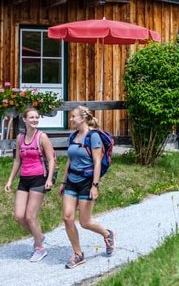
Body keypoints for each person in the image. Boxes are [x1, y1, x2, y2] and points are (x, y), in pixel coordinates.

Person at [59, 106, 115, 269]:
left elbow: (97, 162)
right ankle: (78, 254)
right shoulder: (73, 136)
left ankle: (107, 234)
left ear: (82, 118)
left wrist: (95, 186)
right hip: (71, 180)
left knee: (85, 222)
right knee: (67, 218)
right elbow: (69, 160)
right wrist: (63, 182)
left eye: (73, 116)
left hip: (87, 182)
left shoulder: (94, 136)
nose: (71, 119)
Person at [4, 107, 56, 262]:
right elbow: (18, 160)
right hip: (24, 179)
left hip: (39, 178)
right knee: (19, 216)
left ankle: (39, 248)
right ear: (24, 120)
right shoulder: (20, 138)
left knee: (30, 216)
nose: (35, 120)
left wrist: (49, 179)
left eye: (36, 117)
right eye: (31, 117)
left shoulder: (42, 137)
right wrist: (10, 180)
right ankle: (39, 236)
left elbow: (52, 159)